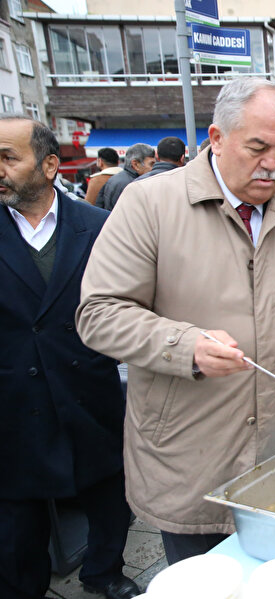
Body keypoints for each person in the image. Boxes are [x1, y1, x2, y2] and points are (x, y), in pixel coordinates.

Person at [76, 78, 275, 564]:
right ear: (216, 139)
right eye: (257, 148)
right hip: (187, 453)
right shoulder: (150, 203)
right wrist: (185, 346)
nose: (272, 165)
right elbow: (99, 312)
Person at [0, 116, 140, 599]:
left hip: (87, 387)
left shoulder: (98, 226)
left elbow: (128, 300)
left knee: (109, 494)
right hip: (14, 396)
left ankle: (104, 573)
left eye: (8, 158)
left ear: (49, 165)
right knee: (19, 519)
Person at [95, 142, 155, 211]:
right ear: (135, 164)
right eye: (151, 164)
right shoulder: (131, 184)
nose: (153, 168)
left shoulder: (117, 179)